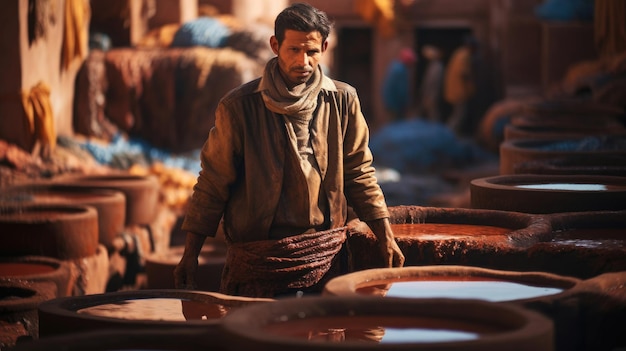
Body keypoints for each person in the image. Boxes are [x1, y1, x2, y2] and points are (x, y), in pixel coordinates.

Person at [174, 3, 405, 298]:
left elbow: (359, 172)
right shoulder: (239, 107)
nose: (303, 61)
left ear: (324, 47)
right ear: (275, 45)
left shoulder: (343, 101)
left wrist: (385, 236)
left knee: (323, 338)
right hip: (259, 260)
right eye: (294, 50)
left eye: (311, 52)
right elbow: (213, 182)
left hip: (324, 256)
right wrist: (191, 254)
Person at [444, 35, 480, 136]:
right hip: (459, 91)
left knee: (457, 114)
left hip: (455, 90)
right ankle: (448, 134)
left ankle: (452, 134)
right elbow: (464, 73)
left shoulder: (458, 52)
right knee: (459, 115)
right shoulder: (465, 55)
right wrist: (472, 83)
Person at [381, 47, 417, 121]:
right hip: (396, 103)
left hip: (389, 101)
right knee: (397, 123)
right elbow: (402, 90)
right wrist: (406, 104)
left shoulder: (394, 66)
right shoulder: (401, 70)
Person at [418, 45, 445, 123]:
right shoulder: (433, 66)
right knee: (427, 112)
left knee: (433, 114)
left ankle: (436, 129)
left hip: (431, 94)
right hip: (428, 94)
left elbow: (432, 82)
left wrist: (430, 94)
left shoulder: (437, 67)